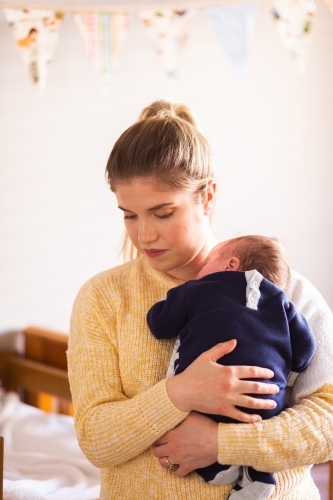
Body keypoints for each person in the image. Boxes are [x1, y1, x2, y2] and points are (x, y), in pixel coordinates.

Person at [67, 100, 333, 500]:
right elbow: (96, 441)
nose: (144, 236)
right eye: (129, 215)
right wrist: (179, 394)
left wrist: (222, 443)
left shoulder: (282, 289)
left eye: (162, 213)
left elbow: (328, 423)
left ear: (207, 197)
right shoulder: (104, 299)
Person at [147, 235, 316, 499]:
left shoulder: (198, 289)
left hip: (208, 396)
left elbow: (160, 325)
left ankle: (217, 468)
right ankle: (260, 475)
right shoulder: (283, 303)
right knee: (256, 421)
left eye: (208, 263)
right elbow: (305, 350)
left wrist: (162, 306)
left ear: (231, 264)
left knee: (188, 420)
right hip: (266, 399)